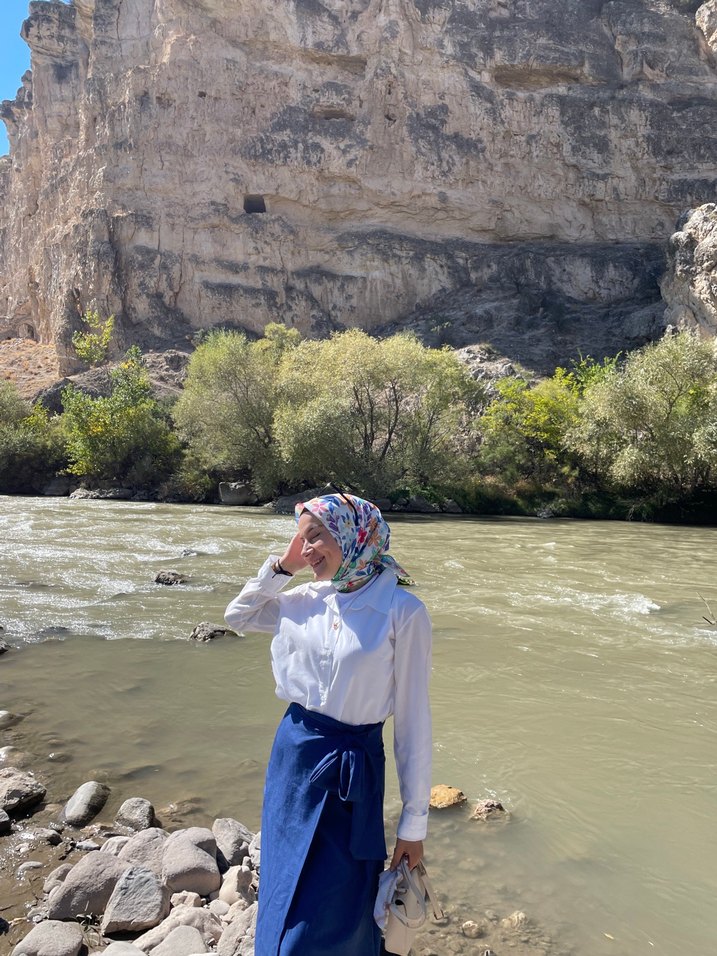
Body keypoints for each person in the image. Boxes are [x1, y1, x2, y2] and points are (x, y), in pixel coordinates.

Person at [224, 492, 432, 956]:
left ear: (353, 537)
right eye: (301, 538)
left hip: (353, 772)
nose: (307, 548)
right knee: (284, 885)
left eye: (316, 536)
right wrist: (282, 566)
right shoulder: (302, 600)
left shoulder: (403, 611)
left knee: (337, 903)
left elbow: (414, 723)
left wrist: (413, 826)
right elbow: (238, 616)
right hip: (293, 760)